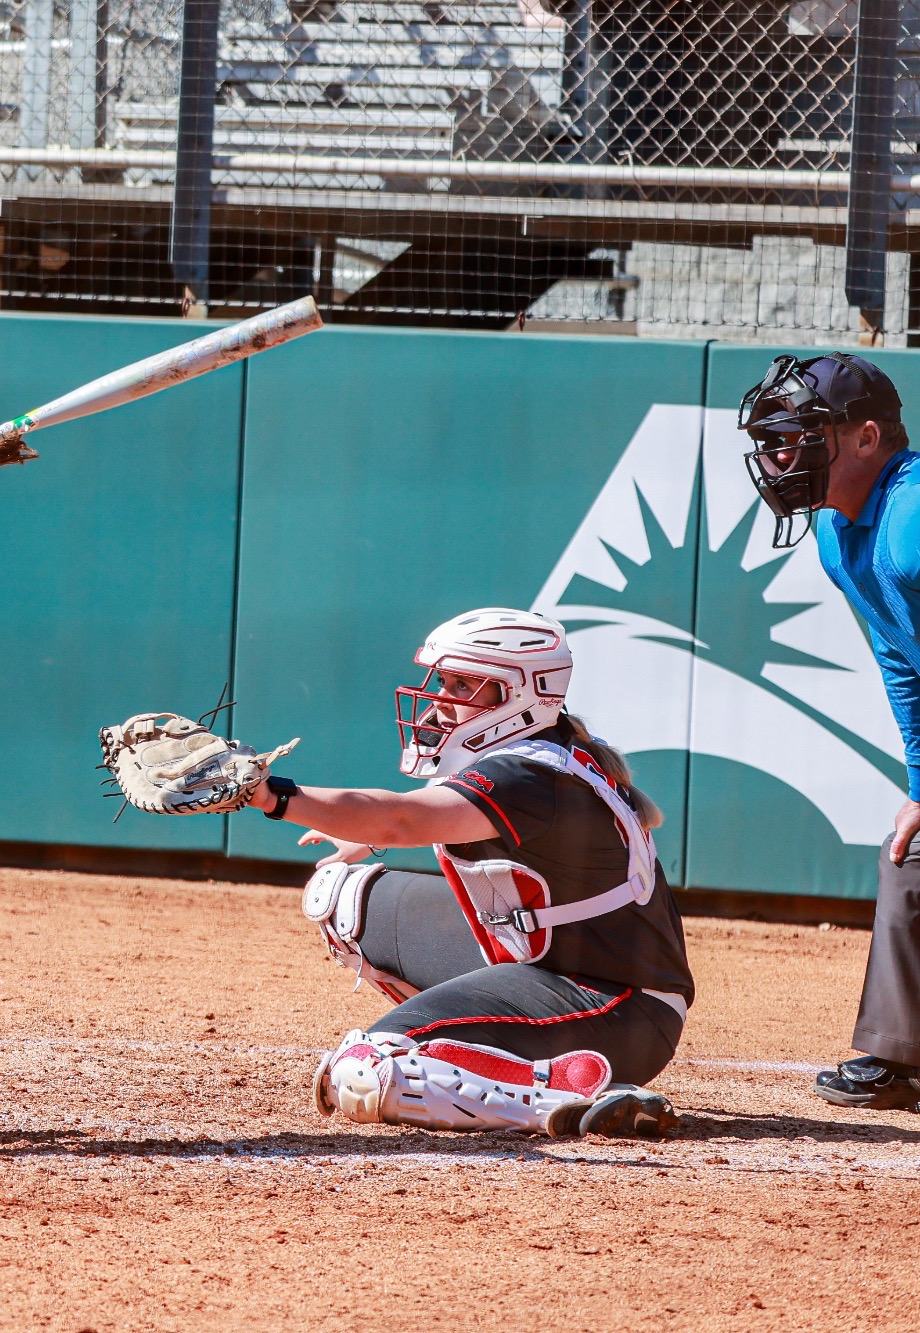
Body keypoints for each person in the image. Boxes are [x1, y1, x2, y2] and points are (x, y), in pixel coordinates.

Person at [256, 608, 694, 1137]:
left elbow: (400, 817)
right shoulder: (542, 750)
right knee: (341, 900)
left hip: (615, 1007)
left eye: (464, 683)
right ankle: (470, 1050)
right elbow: (423, 816)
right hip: (552, 966)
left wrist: (265, 794)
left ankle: (562, 1095)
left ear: (521, 694)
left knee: (365, 1073)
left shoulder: (530, 774)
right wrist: (365, 831)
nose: (441, 698)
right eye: (444, 680)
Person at [739, 352, 920, 1111]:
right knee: (909, 858)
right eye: (774, 440)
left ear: (867, 437)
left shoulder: (913, 519)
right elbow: (900, 660)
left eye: (798, 437)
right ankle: (898, 1055)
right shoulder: (837, 536)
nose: (780, 457)